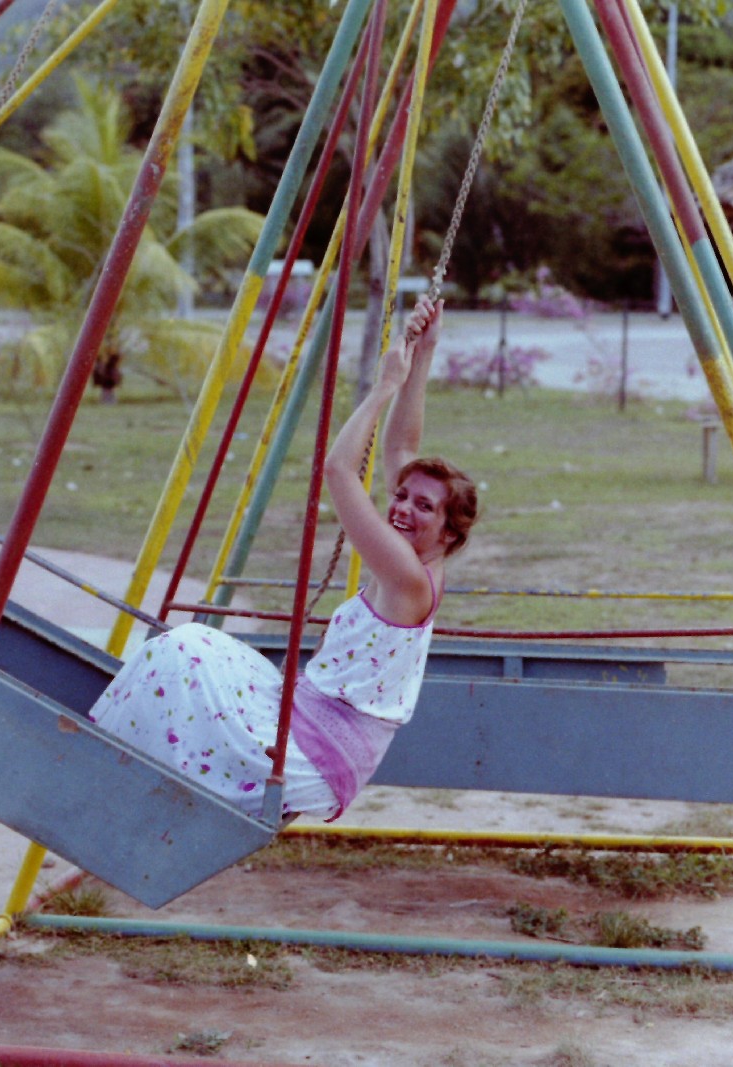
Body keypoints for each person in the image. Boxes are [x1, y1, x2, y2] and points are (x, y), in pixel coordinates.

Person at [89, 296, 478, 821]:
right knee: (192, 642)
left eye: (423, 507)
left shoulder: (407, 577)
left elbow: (340, 472)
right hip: (312, 718)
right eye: (402, 496)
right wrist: (423, 354)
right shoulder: (418, 556)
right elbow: (401, 448)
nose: (403, 508)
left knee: (177, 653)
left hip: (316, 757)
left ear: (450, 532)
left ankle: (105, 763)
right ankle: (122, 749)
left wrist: (385, 384)